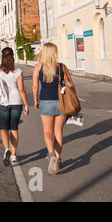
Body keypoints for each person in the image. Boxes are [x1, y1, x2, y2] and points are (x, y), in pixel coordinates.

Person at [32, 42, 75, 174]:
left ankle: (51, 155)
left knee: (47, 131)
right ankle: (57, 159)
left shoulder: (38, 67)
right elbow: (71, 85)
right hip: (61, 101)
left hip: (45, 100)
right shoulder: (62, 67)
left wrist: (35, 100)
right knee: (58, 132)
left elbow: (35, 86)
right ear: (55, 53)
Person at [0, 47, 29, 166]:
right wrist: (26, 104)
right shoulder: (18, 71)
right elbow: (21, 89)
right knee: (14, 128)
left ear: (2, 57)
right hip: (17, 101)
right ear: (13, 56)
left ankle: (6, 150)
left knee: (4, 128)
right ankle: (14, 156)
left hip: (3, 102)